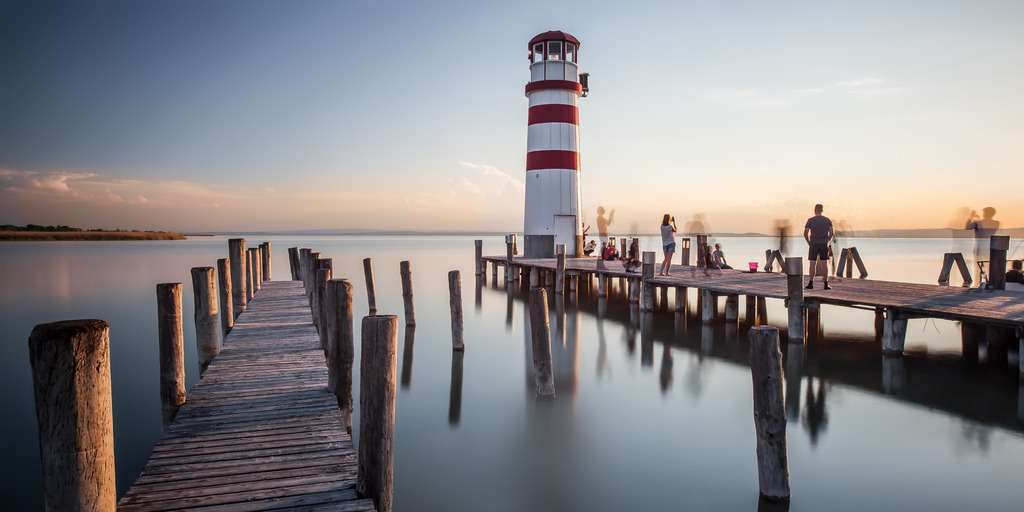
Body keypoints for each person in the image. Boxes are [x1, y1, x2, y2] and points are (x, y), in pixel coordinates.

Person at [804, 203, 834, 290]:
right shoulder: (827, 220)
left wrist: (809, 242)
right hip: (824, 243)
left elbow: (805, 233)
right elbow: (831, 233)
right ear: (822, 210)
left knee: (812, 263)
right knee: (824, 264)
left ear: (815, 210)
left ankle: (811, 283)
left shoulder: (810, 220)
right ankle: (826, 284)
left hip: (813, 243)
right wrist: (827, 240)